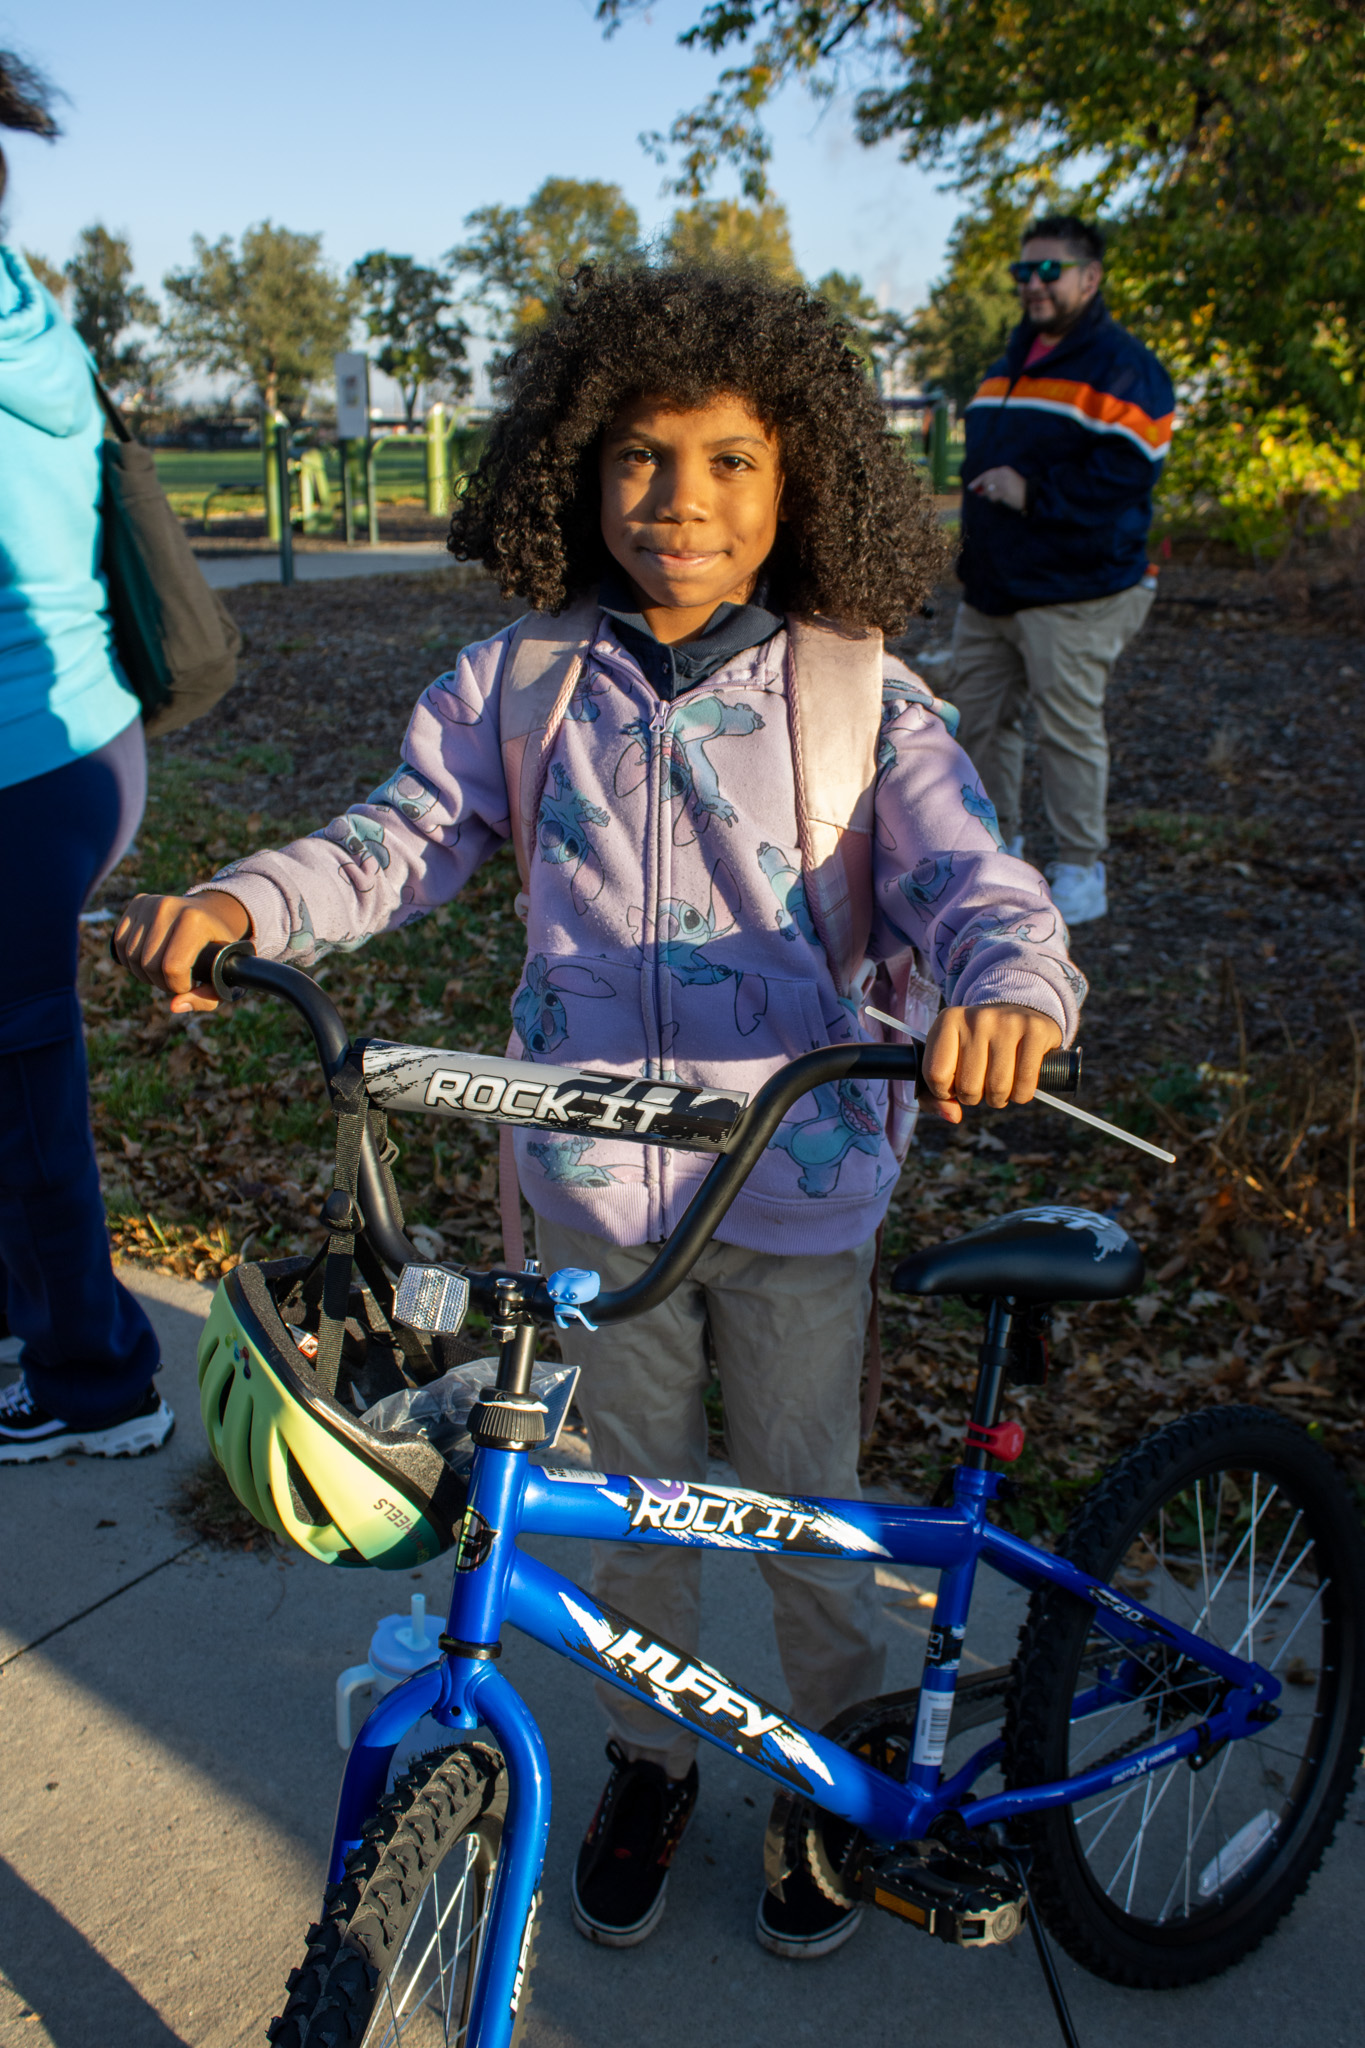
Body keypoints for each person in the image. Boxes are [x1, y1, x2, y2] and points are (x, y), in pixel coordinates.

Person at [115, 265, 1084, 1958]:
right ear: (575, 465)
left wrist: (1011, 987)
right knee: (619, 1498)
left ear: (806, 484)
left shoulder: (862, 692)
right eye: (640, 457)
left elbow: (967, 874)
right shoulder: (522, 682)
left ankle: (830, 1771)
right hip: (582, 1194)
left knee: (804, 1506)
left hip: (793, 1186)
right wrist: (249, 905)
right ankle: (651, 1754)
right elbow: (396, 836)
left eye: (731, 462)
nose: (681, 504)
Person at [0, 53, 170, 1464]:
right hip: (83, 751)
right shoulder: (31, 319)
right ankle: (35, 1324)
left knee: (23, 1078)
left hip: (18, 768)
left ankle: (99, 1381)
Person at [952, 215, 1175, 924]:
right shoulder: (1007, 362)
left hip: (1074, 591)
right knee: (979, 723)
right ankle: (998, 855)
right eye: (1024, 272)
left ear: (1089, 277)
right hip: (991, 591)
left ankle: (1081, 871)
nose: (1033, 285)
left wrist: (1033, 493)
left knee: (1065, 730)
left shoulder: (1121, 367)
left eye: (1049, 271)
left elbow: (1125, 476)